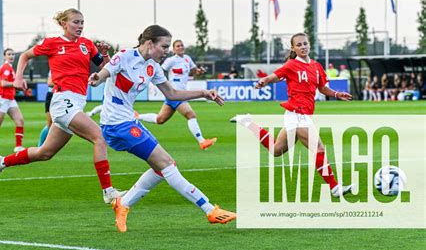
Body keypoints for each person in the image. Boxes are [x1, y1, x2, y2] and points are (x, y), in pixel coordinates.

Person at [89, 25, 236, 232]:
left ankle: (123, 203)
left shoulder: (153, 67)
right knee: (167, 164)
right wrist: (97, 78)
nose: (166, 50)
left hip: (128, 122)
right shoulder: (124, 56)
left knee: (161, 168)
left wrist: (203, 93)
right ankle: (210, 209)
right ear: (149, 43)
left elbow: (173, 94)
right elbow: (104, 73)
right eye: (164, 46)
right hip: (116, 125)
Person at [0, 8, 125, 204]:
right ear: (63, 24)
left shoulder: (87, 45)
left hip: (76, 102)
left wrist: (103, 55)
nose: (80, 26)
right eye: (76, 22)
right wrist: (18, 78)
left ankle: (1, 162)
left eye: (82, 22)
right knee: (99, 137)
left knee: (45, 153)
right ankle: (108, 191)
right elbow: (25, 56)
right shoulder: (52, 43)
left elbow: (104, 70)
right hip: (62, 101)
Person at [233, 32, 353, 198]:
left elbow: (323, 89)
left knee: (276, 150)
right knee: (319, 148)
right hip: (297, 114)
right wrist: (263, 81)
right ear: (293, 48)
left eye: (305, 43)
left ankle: (248, 123)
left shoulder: (317, 66)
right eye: (299, 45)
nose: (303, 47)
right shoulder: (291, 65)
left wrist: (337, 94)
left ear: (309, 44)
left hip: (298, 115)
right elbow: (274, 76)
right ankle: (334, 188)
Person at [137, 39, 217, 150]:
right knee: (191, 115)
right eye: (178, 46)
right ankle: (202, 141)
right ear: (174, 49)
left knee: (160, 119)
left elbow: (195, 72)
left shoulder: (187, 59)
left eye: (182, 45)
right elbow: (159, 70)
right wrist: (156, 85)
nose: (180, 47)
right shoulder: (171, 60)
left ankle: (137, 116)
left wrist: (200, 71)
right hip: (175, 93)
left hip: (178, 94)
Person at [37, 72, 54, 146]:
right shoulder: (54, 67)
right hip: (51, 96)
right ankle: (40, 145)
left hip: (61, 96)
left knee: (55, 124)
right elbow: (50, 83)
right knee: (50, 124)